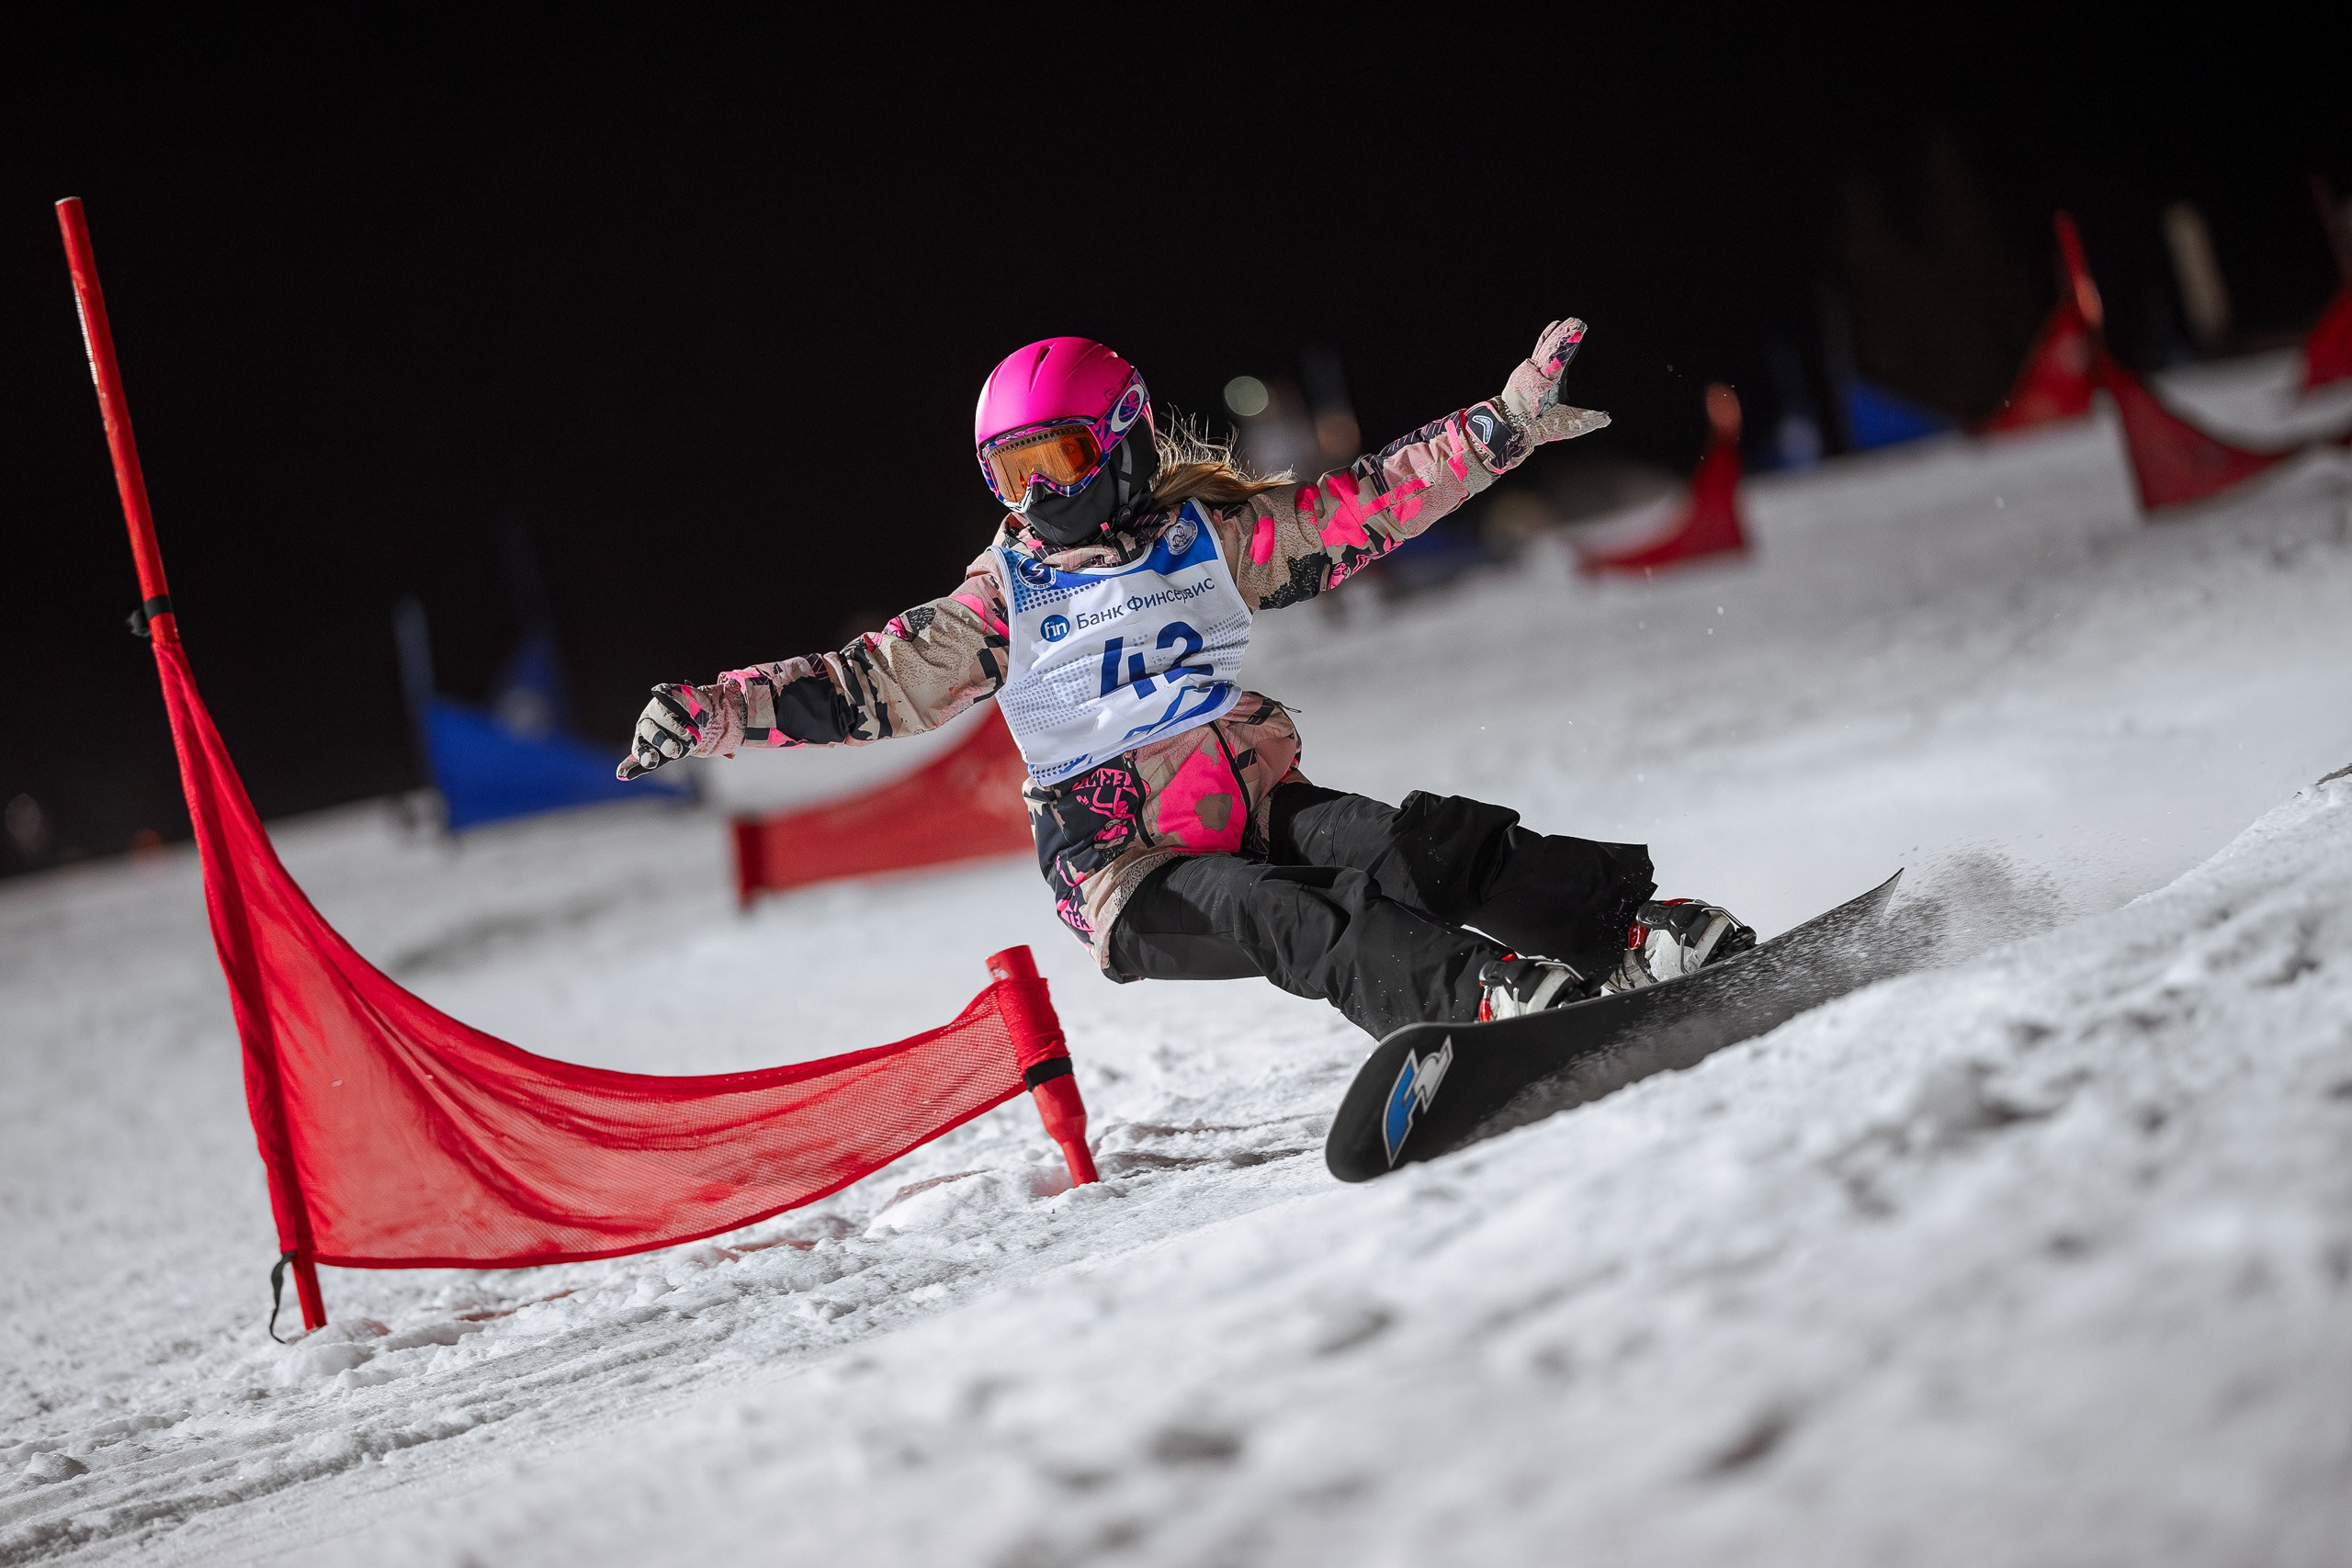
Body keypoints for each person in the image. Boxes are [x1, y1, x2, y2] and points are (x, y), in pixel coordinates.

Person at [618, 322, 1752, 1039]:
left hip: (1247, 803)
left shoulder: (1207, 542)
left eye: (1051, 462)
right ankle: (1483, 996)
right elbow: (869, 683)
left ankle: (1627, 932)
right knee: (1297, 916)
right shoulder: (1005, 593)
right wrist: (718, 711)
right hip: (1124, 870)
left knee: (1429, 846)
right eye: (1006, 473)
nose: (1028, 496)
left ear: (1115, 442)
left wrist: (1497, 432)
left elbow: (1362, 505)